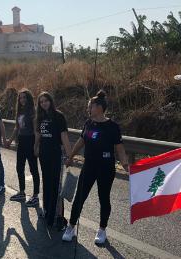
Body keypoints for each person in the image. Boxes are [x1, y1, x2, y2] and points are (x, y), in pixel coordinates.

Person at [62, 90, 129, 245]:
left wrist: (125, 164)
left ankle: (102, 229)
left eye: (90, 106)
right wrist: (71, 156)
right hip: (89, 165)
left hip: (106, 167)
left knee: (104, 198)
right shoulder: (88, 123)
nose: (88, 109)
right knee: (80, 196)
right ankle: (71, 227)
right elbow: (81, 142)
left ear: (99, 107)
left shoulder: (113, 126)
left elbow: (119, 148)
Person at [34, 92, 73, 230]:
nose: (44, 103)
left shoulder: (59, 116)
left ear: (51, 101)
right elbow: (38, 134)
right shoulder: (40, 117)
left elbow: (64, 136)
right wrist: (35, 147)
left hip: (56, 154)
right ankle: (47, 211)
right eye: (41, 101)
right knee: (47, 183)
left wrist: (70, 155)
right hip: (44, 155)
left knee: (56, 186)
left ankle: (59, 217)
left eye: (46, 100)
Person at [6, 89, 40, 206]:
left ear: (29, 98)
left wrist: (36, 147)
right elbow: (17, 128)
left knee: (33, 169)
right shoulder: (19, 112)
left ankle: (35, 196)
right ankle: (22, 192)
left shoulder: (32, 112)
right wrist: (9, 141)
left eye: (24, 97)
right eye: (20, 98)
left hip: (30, 141)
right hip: (21, 141)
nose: (22, 100)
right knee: (19, 167)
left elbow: (36, 131)